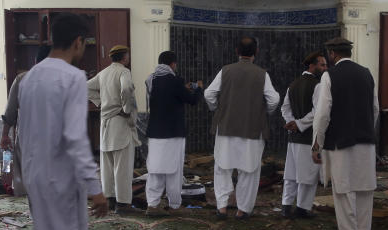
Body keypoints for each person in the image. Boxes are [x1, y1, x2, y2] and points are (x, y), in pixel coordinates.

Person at [13, 13, 109, 230]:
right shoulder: (72, 78)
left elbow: (22, 132)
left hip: (38, 176)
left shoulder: (30, 77)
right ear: (79, 42)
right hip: (62, 178)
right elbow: (74, 137)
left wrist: (23, 176)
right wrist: (94, 186)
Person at [311, 37, 378, 230]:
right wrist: (365, 128)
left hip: (340, 141)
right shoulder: (367, 73)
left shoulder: (329, 75)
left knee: (343, 189)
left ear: (332, 54)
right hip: (366, 139)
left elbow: (322, 114)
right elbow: (375, 108)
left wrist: (317, 143)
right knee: (365, 188)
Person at [204, 35, 280, 219]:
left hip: (226, 128)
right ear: (256, 52)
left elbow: (209, 93)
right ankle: (242, 210)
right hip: (253, 131)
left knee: (222, 168)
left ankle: (222, 208)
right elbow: (274, 99)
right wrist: (265, 112)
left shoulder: (225, 71)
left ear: (237, 52)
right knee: (249, 170)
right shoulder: (262, 74)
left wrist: (217, 108)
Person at [144, 50, 203, 215]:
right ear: (172, 64)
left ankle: (153, 205)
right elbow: (191, 100)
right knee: (174, 171)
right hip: (173, 134)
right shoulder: (176, 81)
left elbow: (161, 97)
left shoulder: (150, 80)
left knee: (155, 170)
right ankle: (175, 206)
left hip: (155, 133)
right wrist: (198, 89)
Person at [88, 44, 139, 212]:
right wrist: (126, 108)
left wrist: (101, 102)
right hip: (120, 123)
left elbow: (86, 86)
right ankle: (123, 204)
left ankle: (109, 200)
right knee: (122, 166)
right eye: (128, 55)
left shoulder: (103, 73)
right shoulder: (124, 72)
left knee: (107, 166)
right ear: (124, 57)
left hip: (105, 124)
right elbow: (126, 88)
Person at [0, 44, 51, 197]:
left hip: (26, 137)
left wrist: (4, 135)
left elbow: (10, 112)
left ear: (36, 60)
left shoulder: (22, 79)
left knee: (27, 180)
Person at [281, 51, 327, 219]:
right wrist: (299, 125)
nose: (325, 68)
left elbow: (284, 108)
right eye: (322, 64)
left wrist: (291, 122)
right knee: (308, 175)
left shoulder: (293, 84)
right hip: (308, 137)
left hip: (293, 138)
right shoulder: (318, 85)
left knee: (291, 174)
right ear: (312, 65)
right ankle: (302, 208)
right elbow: (318, 112)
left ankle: (286, 207)